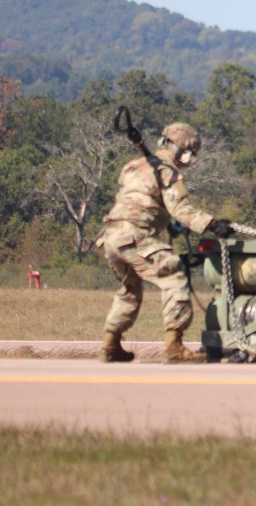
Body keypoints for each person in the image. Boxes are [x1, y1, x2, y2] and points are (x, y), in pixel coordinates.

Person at [97, 122, 234, 364]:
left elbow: (140, 198)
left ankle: (110, 345)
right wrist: (213, 224)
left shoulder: (132, 166)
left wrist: (165, 220)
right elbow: (181, 209)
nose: (189, 161)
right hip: (135, 237)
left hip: (111, 237)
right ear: (183, 152)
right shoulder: (168, 173)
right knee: (174, 274)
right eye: (190, 155)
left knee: (130, 290)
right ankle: (174, 347)